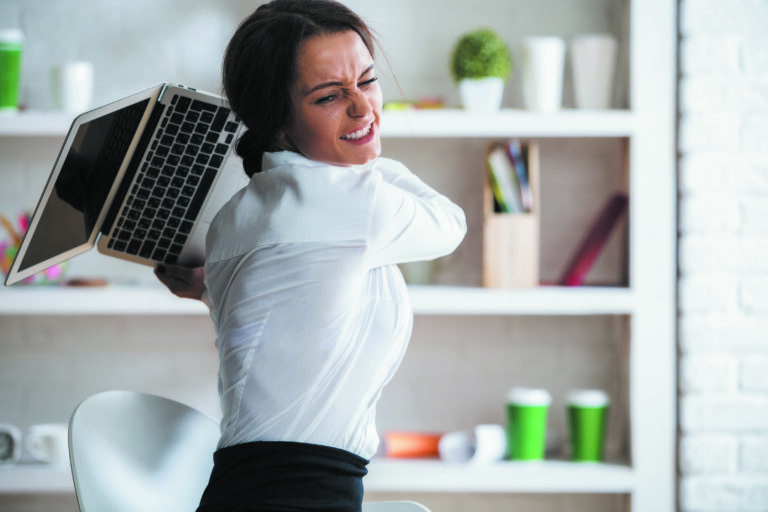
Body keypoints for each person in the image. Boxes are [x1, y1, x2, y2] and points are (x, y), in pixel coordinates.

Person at [156, 1, 466, 510]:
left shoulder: (235, 216)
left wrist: (210, 288)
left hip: (241, 489)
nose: (362, 108)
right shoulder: (357, 201)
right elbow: (450, 225)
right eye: (329, 97)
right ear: (276, 122)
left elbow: (283, 325)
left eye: (366, 81)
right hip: (304, 496)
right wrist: (368, 161)